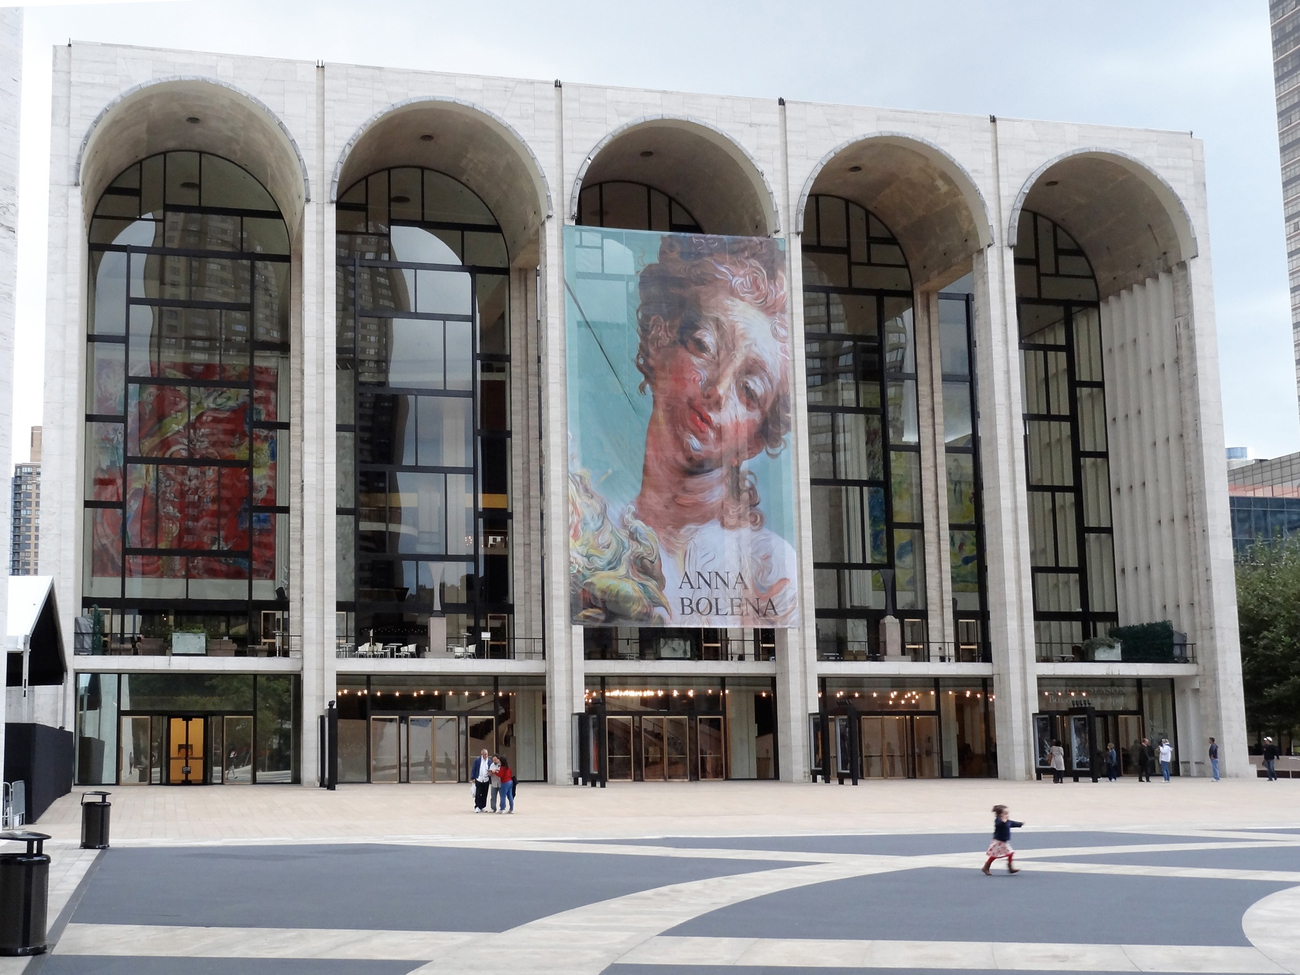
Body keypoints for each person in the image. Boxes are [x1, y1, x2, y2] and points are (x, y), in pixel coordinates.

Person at [569, 235, 798, 627]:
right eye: (704, 346)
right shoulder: (590, 527)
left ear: (756, 440)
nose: (718, 390)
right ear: (658, 339)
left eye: (748, 390)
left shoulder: (770, 571)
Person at [982, 804, 1022, 875]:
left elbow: (1012, 823)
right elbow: (999, 825)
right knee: (996, 854)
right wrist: (1003, 822)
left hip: (1003, 841)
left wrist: (1020, 824)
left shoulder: (1007, 821)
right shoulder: (998, 820)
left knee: (1009, 853)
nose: (1007, 815)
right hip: (998, 841)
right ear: (999, 814)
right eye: (1005, 813)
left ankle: (1010, 867)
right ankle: (986, 867)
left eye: (1007, 813)